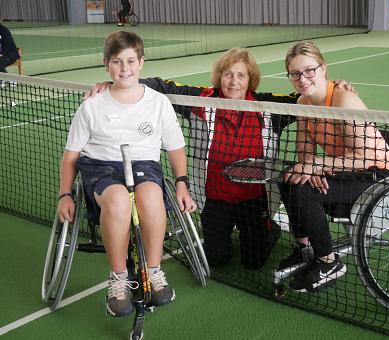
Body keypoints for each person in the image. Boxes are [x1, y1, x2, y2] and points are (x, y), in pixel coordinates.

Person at [84, 47, 356, 271]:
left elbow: (309, 96)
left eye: (241, 75)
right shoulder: (200, 101)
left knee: (254, 262)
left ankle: (269, 229)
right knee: (216, 260)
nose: (234, 81)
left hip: (255, 200)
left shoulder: (268, 107)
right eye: (228, 74)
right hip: (214, 200)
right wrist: (118, 81)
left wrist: (336, 86)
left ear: (251, 79)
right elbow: (160, 86)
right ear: (219, 77)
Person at [58, 31, 196, 317]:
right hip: (101, 169)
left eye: (131, 61)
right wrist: (63, 195)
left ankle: (153, 274)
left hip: (145, 166)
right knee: (119, 199)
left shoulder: (158, 103)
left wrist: (181, 184)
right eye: (117, 62)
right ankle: (119, 280)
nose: (125, 68)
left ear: (141, 62)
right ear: (106, 64)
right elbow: (71, 157)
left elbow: (175, 148)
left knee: (150, 195)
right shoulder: (91, 105)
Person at [279, 41, 389, 293]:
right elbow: (304, 153)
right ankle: (306, 249)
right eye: (295, 73)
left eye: (309, 70)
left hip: (378, 174)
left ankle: (328, 262)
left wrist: (318, 164)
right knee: (291, 177)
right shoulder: (304, 104)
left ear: (323, 68)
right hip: (346, 168)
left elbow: (365, 158)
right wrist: (309, 169)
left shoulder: (344, 101)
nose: (302, 79)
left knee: (303, 189)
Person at [0, 14, 21, 87]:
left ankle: (10, 79)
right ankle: (3, 79)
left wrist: (2, 53)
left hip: (10, 55)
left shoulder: (3, 30)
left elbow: (7, 44)